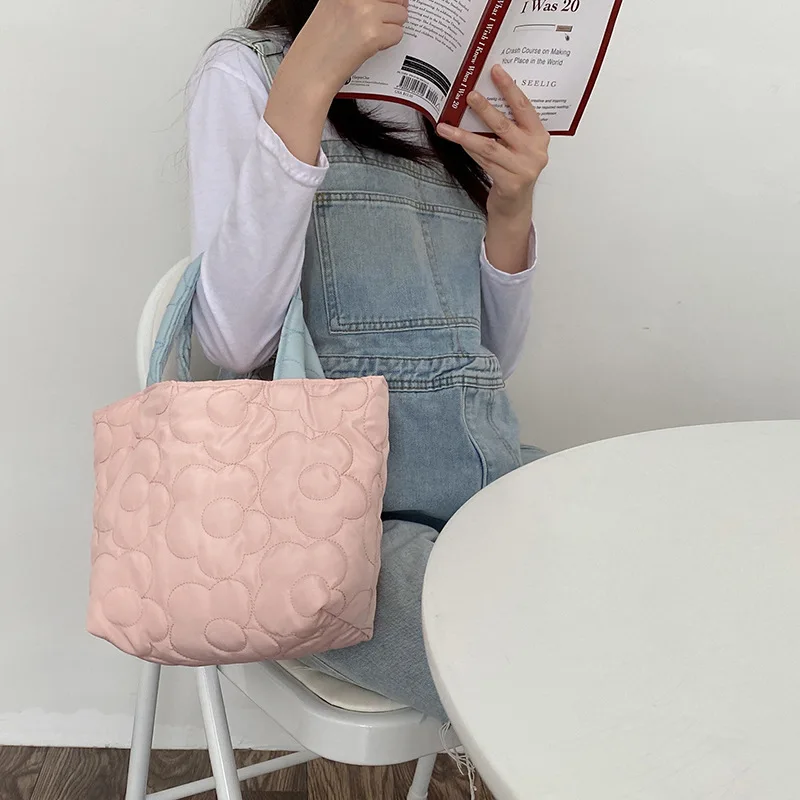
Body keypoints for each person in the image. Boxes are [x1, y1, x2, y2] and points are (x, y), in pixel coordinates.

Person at [187, 0, 550, 721]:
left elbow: (486, 363)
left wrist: (513, 211)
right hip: (322, 525)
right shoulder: (247, 71)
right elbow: (232, 344)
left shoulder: (441, 102)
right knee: (556, 664)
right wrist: (303, 90)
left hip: (476, 481)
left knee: (654, 577)